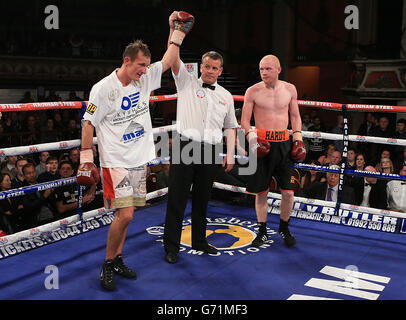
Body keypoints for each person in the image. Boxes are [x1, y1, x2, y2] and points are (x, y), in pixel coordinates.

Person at [77, 13, 185, 291]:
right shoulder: (102, 89)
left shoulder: (144, 79)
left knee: (129, 215)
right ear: (127, 61)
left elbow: (170, 59)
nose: (144, 70)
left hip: (140, 158)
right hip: (116, 162)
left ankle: (117, 259)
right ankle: (107, 264)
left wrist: (175, 30)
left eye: (146, 66)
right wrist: (86, 159)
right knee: (123, 215)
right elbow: (88, 122)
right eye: (140, 65)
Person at [163, 13, 238, 264]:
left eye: (215, 68)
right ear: (201, 66)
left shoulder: (226, 96)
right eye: (207, 66)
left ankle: (199, 241)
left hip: (211, 149)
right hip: (186, 146)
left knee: (203, 198)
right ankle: (171, 247)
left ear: (220, 70)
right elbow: (172, 58)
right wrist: (175, 31)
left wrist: (229, 152)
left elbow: (230, 127)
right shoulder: (186, 81)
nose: (210, 71)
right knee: (177, 197)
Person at [240, 54, 306, 248]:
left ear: (278, 70)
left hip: (284, 144)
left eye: (268, 69)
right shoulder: (252, 91)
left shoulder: (290, 89)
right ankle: (262, 231)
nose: (264, 72)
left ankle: (284, 227)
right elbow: (244, 121)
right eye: (261, 69)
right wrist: (252, 139)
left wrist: (298, 138)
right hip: (261, 142)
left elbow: (295, 116)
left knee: (289, 193)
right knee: (261, 192)